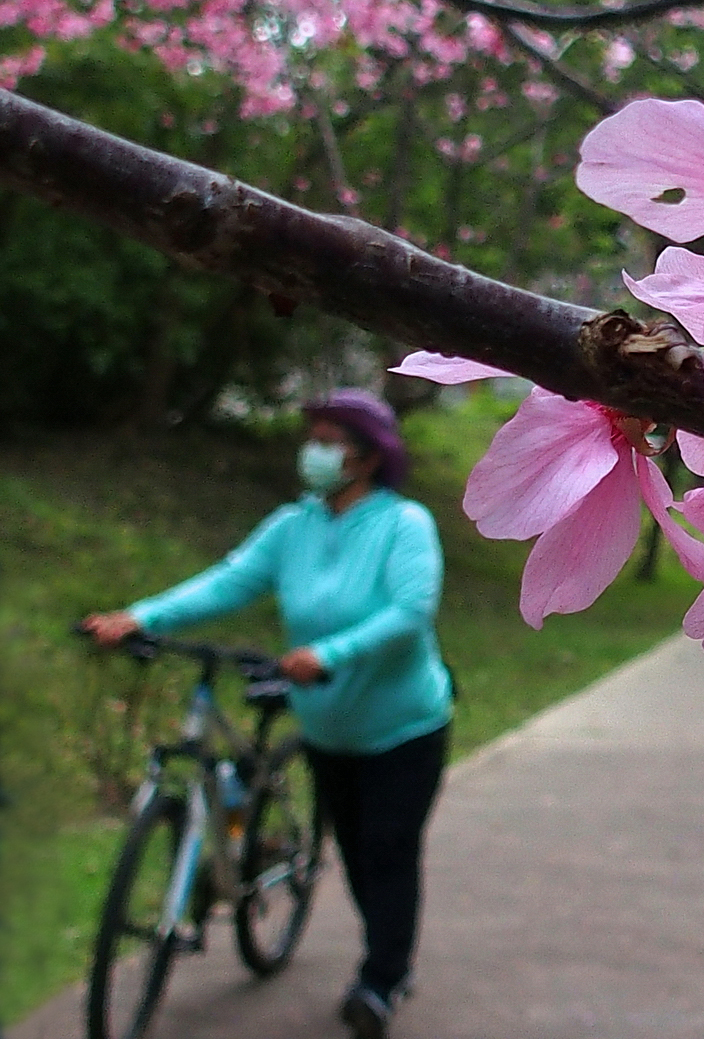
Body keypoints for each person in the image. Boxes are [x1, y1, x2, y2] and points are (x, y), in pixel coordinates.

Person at [83, 388, 452, 1039]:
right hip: (327, 728)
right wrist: (141, 615)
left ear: (368, 455)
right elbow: (228, 579)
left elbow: (410, 611)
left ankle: (383, 977)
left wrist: (328, 652)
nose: (313, 450)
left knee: (385, 851)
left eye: (329, 439)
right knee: (357, 850)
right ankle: (369, 945)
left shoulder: (405, 525)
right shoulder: (294, 525)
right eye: (312, 436)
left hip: (403, 728)